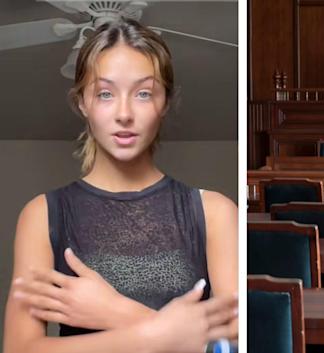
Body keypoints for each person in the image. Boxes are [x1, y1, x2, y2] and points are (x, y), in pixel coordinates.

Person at [3, 18, 237, 353]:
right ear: (83, 102)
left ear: (165, 102)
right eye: (105, 94)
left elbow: (231, 346)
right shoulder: (42, 214)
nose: (124, 113)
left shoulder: (214, 212)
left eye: (143, 93)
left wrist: (115, 312)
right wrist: (160, 335)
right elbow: (19, 349)